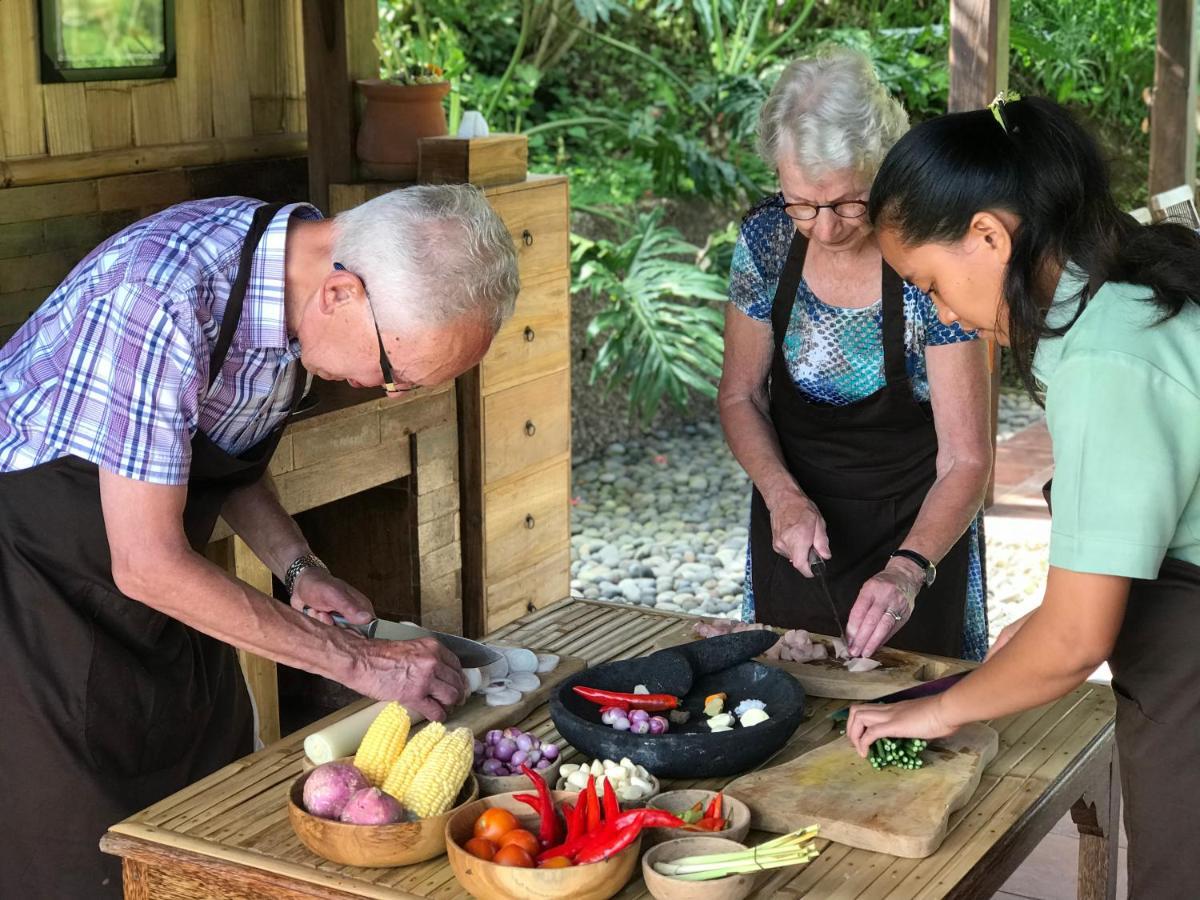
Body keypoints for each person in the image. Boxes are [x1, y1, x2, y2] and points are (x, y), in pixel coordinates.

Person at [0, 184, 520, 898]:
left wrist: (299, 567)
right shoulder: (162, 296)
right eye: (396, 374)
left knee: (211, 797)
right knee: (81, 849)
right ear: (341, 295)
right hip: (34, 583)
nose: (384, 391)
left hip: (150, 571)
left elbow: (217, 458)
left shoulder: (295, 292)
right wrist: (362, 661)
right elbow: (147, 562)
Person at [847, 94, 1200, 897]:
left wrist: (938, 710)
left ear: (989, 236)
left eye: (931, 283)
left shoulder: (1106, 359)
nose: (944, 313)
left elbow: (1077, 643)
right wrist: (1045, 622)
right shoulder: (1125, 292)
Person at [719, 46, 992, 661]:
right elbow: (741, 395)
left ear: (884, 170)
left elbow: (967, 459)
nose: (824, 227)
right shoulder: (767, 239)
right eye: (802, 204)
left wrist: (907, 571)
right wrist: (781, 495)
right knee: (782, 710)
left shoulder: (930, 253)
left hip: (918, 535)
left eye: (847, 203)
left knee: (914, 713)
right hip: (796, 527)